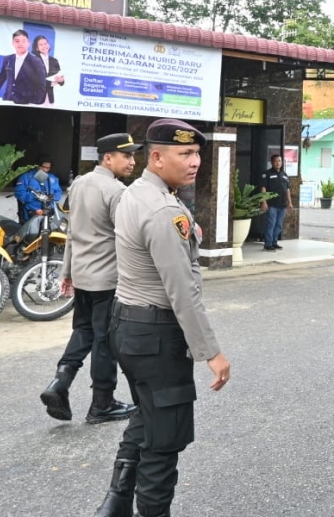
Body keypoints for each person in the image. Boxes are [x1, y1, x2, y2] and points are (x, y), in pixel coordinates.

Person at [95, 119, 230, 517]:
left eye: (197, 154)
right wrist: (211, 352)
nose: (195, 163)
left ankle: (116, 502)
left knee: (148, 415)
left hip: (128, 325)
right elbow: (182, 291)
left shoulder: (135, 194)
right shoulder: (164, 210)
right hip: (156, 333)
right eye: (185, 154)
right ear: (156, 157)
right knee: (164, 439)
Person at [39, 133, 142, 427]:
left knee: (83, 331)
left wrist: (67, 272)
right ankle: (102, 403)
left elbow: (71, 232)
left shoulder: (80, 183)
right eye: (127, 156)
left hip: (83, 275)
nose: (133, 162)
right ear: (108, 158)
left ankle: (60, 382)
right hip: (108, 278)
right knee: (105, 340)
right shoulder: (117, 191)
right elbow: (128, 239)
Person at [0, 28, 46, 105]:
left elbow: (42, 85)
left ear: (28, 43)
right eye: (17, 41)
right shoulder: (7, 59)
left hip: (25, 103)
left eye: (23, 41)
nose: (20, 44)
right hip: (7, 100)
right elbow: (0, 80)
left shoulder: (36, 61)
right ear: (13, 43)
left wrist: (34, 103)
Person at [259, 153, 292, 251]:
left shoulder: (284, 175)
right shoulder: (267, 174)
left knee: (279, 225)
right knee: (271, 224)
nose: (278, 163)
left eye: (280, 161)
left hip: (282, 204)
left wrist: (289, 202)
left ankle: (274, 242)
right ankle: (268, 244)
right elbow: (263, 188)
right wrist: (264, 202)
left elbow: (287, 190)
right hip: (271, 204)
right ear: (272, 162)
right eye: (276, 161)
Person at [15, 157, 63, 223]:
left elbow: (58, 192)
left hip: (49, 212)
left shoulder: (52, 178)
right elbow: (19, 193)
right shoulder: (27, 177)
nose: (45, 170)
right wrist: (35, 196)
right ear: (37, 165)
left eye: (48, 168)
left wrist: (53, 196)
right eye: (43, 167)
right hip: (32, 212)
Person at [32, 34, 65, 105]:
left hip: (49, 98)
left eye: (45, 43)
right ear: (37, 48)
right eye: (41, 45)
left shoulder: (54, 61)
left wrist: (61, 80)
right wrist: (50, 83)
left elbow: (60, 78)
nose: (44, 46)